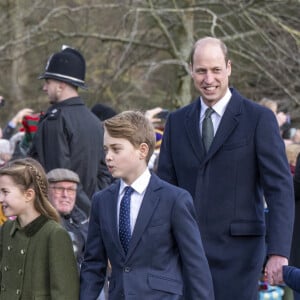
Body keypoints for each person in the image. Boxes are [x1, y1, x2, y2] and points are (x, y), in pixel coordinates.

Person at [157, 37, 294, 300]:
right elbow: (165, 191)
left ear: (229, 68)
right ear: (191, 70)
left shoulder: (258, 119)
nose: (209, 79)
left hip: (240, 258)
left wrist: (278, 252)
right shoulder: (175, 122)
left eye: (216, 70)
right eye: (201, 71)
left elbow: (279, 189)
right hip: (186, 255)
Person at [80, 111, 214, 300]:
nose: (108, 157)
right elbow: (93, 264)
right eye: (105, 149)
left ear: (142, 150)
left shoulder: (174, 199)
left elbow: (195, 266)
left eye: (116, 149)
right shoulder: (102, 201)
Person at [28, 46, 111, 216]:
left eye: (48, 82)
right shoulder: (95, 122)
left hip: (61, 217)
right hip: (89, 218)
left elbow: (57, 175)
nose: (44, 88)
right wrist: (90, 211)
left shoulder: (55, 120)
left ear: (60, 85)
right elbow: (104, 175)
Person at [0, 157, 79, 299]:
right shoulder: (6, 229)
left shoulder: (54, 234)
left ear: (28, 195)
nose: (0, 198)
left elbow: (65, 294)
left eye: (5, 192)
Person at [47, 168, 89, 270]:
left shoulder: (82, 219)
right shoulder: (42, 221)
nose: (65, 195)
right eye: (59, 189)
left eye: (70, 190)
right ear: (47, 191)